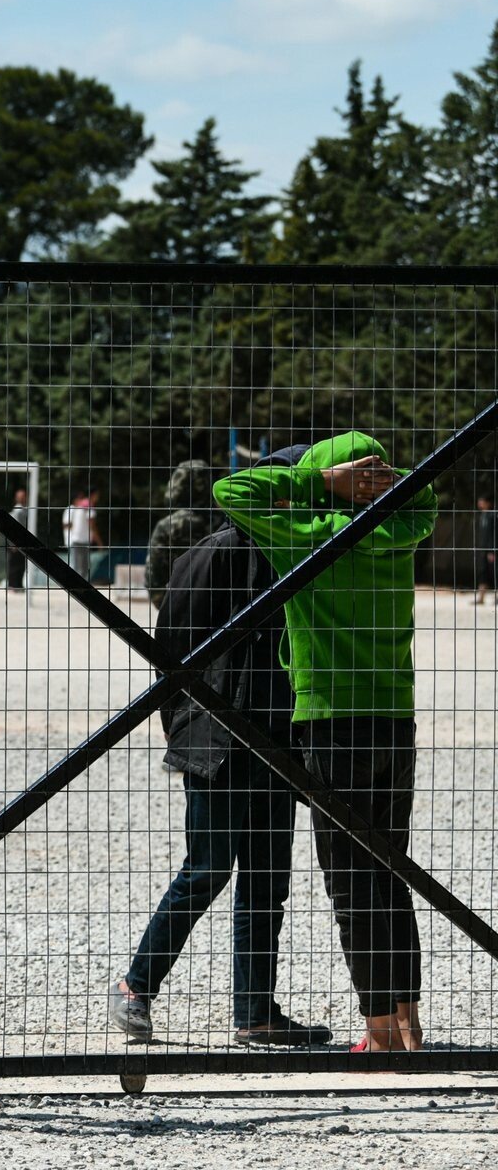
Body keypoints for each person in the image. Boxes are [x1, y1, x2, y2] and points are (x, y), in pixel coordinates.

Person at [214, 432, 436, 1053]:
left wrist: (320, 482)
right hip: (396, 720)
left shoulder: (308, 534)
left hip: (331, 721)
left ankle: (378, 1033)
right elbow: (431, 492)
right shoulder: (400, 533)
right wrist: (384, 481)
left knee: (349, 880)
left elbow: (230, 490)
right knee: (389, 867)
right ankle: (408, 1020)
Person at [109, 446, 330, 1048]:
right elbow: (170, 648)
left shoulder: (288, 552)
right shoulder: (218, 553)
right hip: (222, 739)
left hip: (276, 738)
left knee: (266, 877)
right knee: (207, 871)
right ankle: (134, 988)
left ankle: (255, 1015)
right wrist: (187, 724)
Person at [145, 461, 217, 609]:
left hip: (179, 610)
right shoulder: (226, 522)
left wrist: (169, 609)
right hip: (222, 611)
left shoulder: (167, 526)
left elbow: (153, 577)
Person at [64, 490, 102, 579]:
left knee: (79, 567)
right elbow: (91, 525)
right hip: (81, 540)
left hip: (78, 539)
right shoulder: (87, 506)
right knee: (82, 568)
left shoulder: (79, 506)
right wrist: (99, 541)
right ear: (93, 494)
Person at [474, 495, 497, 605]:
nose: (479, 503)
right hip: (482, 549)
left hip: (491, 550)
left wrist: (492, 551)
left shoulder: (493, 515)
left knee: (495, 573)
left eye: (482, 500)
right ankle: (481, 598)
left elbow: (494, 534)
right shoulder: (482, 515)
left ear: (488, 503)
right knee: (482, 572)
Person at [5, 488, 29, 592]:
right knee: (14, 564)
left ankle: (18, 585)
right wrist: (13, 542)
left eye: (24, 496)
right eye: (21, 496)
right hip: (15, 542)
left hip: (23, 541)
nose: (23, 498)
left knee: (21, 564)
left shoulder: (25, 510)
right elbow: (14, 527)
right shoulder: (18, 511)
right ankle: (12, 585)